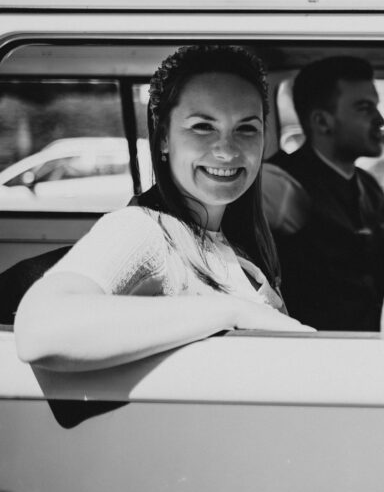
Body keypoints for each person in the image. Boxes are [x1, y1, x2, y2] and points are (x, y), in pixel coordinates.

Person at [15, 45, 311, 371]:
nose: (227, 151)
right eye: (203, 126)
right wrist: (233, 311)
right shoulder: (144, 229)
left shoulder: (238, 239)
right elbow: (41, 328)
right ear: (165, 137)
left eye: (246, 128)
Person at [262, 56, 384, 331]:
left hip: (378, 337)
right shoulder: (279, 185)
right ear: (322, 122)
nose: (380, 120)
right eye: (365, 108)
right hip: (316, 343)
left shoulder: (368, 186)